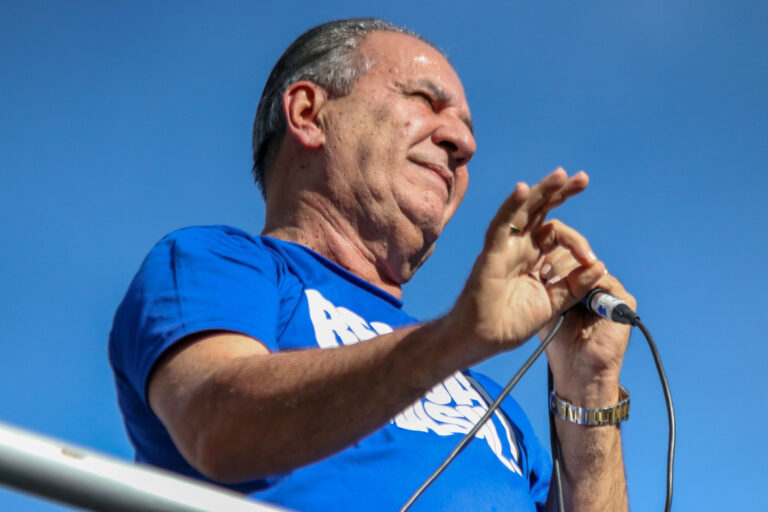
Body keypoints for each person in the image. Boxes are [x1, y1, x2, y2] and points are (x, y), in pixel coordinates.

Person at [109, 18, 633, 511]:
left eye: (466, 128)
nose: (464, 144)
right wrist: (452, 339)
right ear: (309, 115)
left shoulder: (495, 406)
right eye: (426, 100)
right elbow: (216, 428)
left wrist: (590, 388)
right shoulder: (218, 264)